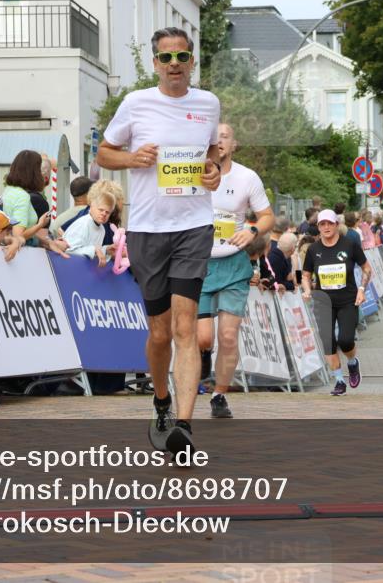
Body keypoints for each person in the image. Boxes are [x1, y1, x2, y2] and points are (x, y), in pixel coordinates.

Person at [96, 26, 222, 459]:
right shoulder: (135, 103)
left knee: (187, 328)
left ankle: (184, 425)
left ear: (192, 62)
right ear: (155, 64)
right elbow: (103, 154)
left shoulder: (207, 104)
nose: (174, 65)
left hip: (194, 226)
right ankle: (161, 401)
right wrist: (131, 159)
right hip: (148, 230)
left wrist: (214, 173)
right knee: (160, 332)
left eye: (182, 57)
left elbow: (211, 159)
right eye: (166, 58)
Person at [196, 122, 274, 419]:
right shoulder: (194, 174)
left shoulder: (246, 177)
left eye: (225, 136)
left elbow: (267, 216)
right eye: (215, 137)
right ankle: (203, 357)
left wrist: (252, 230)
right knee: (205, 338)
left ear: (233, 144)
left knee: (228, 337)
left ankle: (219, 395)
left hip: (232, 264)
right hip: (200, 264)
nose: (220, 141)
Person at [302, 209, 372, 396]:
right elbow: (306, 275)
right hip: (323, 302)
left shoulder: (349, 245)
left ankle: (352, 363)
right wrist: (307, 289)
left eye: (329, 223)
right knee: (328, 343)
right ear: (318, 227)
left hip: (348, 299)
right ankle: (339, 381)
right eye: (322, 224)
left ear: (336, 225)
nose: (326, 227)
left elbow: (367, 269)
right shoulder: (313, 249)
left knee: (346, 340)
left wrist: (362, 289)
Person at [1, 150, 68, 260]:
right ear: (33, 172)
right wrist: (39, 225)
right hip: (23, 257)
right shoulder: (23, 196)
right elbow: (18, 235)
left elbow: (16, 229)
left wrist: (47, 242)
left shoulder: (9, 190)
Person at [62, 183, 119, 266]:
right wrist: (95, 250)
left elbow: (91, 250)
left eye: (107, 212)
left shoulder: (101, 229)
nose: (104, 214)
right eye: (101, 210)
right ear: (91, 207)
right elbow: (69, 251)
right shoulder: (83, 224)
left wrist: (106, 250)